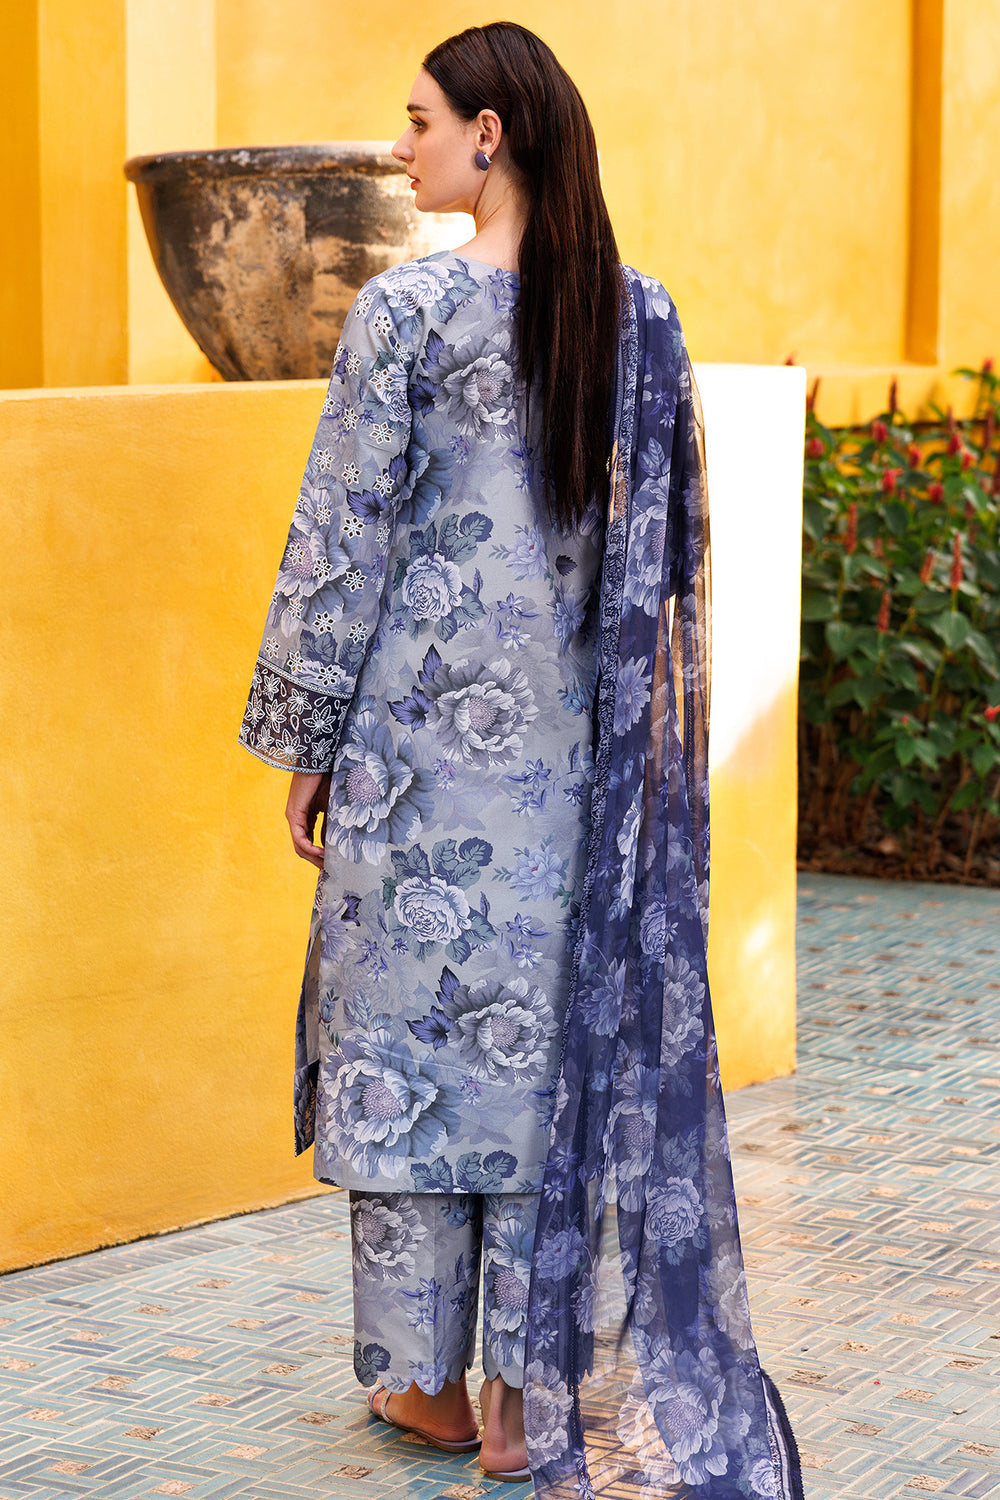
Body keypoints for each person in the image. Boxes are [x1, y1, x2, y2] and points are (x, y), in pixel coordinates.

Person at [240, 22, 802, 1498]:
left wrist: (302, 742)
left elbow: (342, 545)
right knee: (541, 1071)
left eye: (420, 120)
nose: (403, 147)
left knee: (414, 1067)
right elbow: (667, 566)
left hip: (412, 772)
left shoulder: (408, 315)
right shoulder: (639, 318)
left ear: (490, 134)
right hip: (578, 787)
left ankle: (429, 1394)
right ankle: (518, 1409)